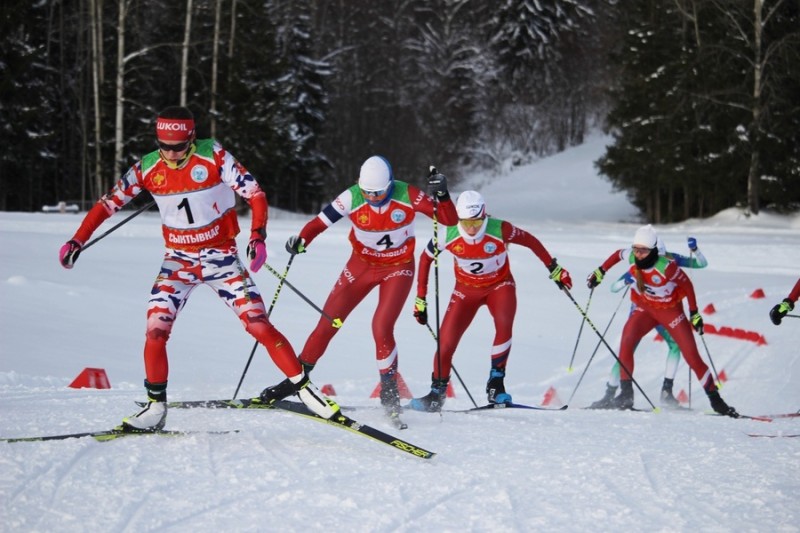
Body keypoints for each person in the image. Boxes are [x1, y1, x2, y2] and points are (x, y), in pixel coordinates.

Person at [58, 106, 338, 431]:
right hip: (178, 261)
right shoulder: (148, 167)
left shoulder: (214, 155)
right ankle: (155, 407)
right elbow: (107, 204)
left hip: (222, 258)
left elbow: (256, 194)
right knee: (155, 330)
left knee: (259, 325)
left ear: (192, 138)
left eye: (178, 147)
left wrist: (257, 236)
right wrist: (77, 240)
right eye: (164, 146)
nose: (171, 154)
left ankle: (304, 390)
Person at [257, 156, 459, 417]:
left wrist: (442, 195)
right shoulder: (352, 197)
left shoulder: (406, 193)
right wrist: (302, 239)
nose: (373, 197)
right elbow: (319, 222)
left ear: (390, 184)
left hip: (398, 268)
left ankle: (389, 390)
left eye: (379, 192)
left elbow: (448, 220)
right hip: (361, 266)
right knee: (328, 322)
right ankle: (297, 381)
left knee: (381, 326)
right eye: (367, 192)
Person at [407, 190, 573, 412]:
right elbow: (425, 259)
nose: (472, 228)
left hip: (499, 286)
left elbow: (531, 241)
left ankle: (496, 385)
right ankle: (437, 393)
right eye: (466, 222)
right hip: (465, 291)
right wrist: (420, 298)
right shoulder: (447, 233)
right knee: (445, 342)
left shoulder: (499, 228)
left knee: (504, 326)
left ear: (484, 215)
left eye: (476, 221)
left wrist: (554, 268)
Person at [585, 224, 738, 416]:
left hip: (670, 311)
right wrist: (600, 272)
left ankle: (717, 401)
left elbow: (688, 286)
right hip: (645, 309)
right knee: (626, 342)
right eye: (636, 249)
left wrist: (694, 314)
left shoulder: (666, 267)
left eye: (643, 251)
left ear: (654, 251)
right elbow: (617, 254)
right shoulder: (633, 255)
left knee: (692, 356)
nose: (638, 255)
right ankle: (626, 395)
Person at [591, 235, 708, 409]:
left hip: (666, 313)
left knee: (675, 346)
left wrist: (695, 250)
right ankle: (610, 394)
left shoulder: (669, 262)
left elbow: (700, 264)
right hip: (642, 314)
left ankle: (666, 391)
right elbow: (614, 287)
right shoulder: (638, 264)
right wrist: (625, 280)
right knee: (627, 351)